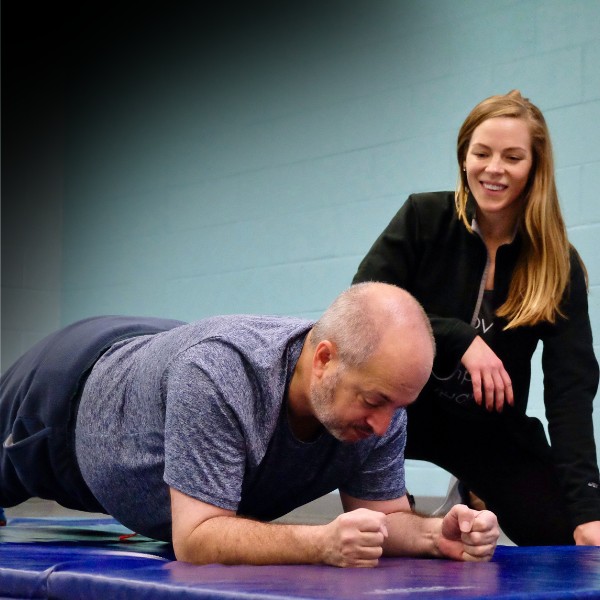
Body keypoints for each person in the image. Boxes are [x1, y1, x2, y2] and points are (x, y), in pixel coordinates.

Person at [0, 282, 498, 566]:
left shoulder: (379, 409)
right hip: (63, 395)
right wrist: (320, 543)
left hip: (164, 363)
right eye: (375, 400)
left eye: (399, 406)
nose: (384, 424)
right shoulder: (220, 375)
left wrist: (437, 534)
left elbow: (384, 518)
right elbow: (195, 541)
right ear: (323, 359)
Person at [353, 90, 600, 547]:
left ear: (534, 168)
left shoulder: (556, 263)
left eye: (513, 157)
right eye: (481, 153)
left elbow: (570, 392)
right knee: (389, 535)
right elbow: (360, 306)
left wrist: (588, 511)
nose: (494, 169)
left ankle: (475, 489)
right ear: (464, 158)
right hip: (403, 410)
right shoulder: (424, 218)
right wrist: (458, 337)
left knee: (566, 535)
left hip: (488, 427)